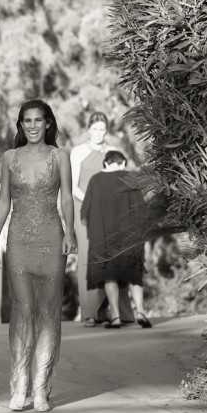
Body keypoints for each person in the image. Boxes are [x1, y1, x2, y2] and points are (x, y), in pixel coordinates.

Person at [0, 99, 77, 413]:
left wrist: (70, 233)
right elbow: (3, 200)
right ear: (21, 125)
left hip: (52, 240)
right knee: (23, 311)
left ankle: (40, 389)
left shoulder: (60, 156)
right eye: (27, 120)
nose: (33, 126)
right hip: (18, 242)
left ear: (48, 123)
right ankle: (20, 384)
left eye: (39, 120)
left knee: (48, 313)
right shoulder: (9, 158)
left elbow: (67, 198)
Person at [69, 112, 133, 325]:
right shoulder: (78, 152)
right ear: (88, 129)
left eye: (102, 129)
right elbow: (72, 186)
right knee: (88, 258)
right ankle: (90, 313)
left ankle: (117, 312)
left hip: (109, 211)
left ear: (106, 131)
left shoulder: (113, 152)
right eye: (95, 129)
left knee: (113, 257)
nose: (98, 133)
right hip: (84, 210)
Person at [81, 150, 152, 329]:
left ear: (106, 163)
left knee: (109, 276)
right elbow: (141, 209)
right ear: (123, 163)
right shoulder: (131, 177)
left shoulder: (96, 180)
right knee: (134, 273)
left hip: (104, 239)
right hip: (130, 237)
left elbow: (85, 214)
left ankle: (116, 317)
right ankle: (141, 312)